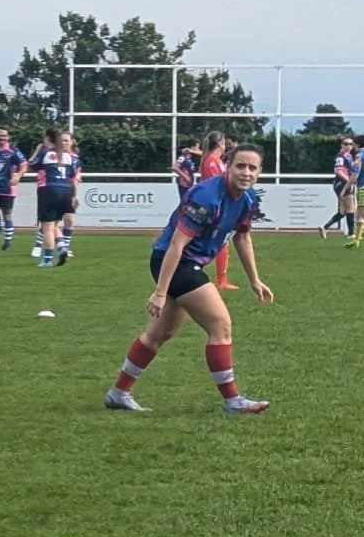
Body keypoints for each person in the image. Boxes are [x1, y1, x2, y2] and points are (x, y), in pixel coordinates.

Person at [105, 143, 273, 415]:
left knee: (158, 334)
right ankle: (233, 401)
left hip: (189, 264)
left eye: (252, 168)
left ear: (260, 172)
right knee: (221, 325)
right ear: (227, 167)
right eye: (240, 165)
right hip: (175, 261)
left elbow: (242, 237)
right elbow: (176, 244)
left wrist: (255, 279)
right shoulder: (206, 196)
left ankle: (118, 393)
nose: (246, 172)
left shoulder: (247, 199)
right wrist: (161, 291)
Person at [28, 129, 81, 267]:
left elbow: (31, 165)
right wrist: (74, 195)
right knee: (55, 224)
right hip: (66, 191)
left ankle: (47, 260)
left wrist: (37, 150)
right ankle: (62, 247)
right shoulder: (69, 157)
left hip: (49, 190)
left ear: (48, 139)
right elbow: (72, 177)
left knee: (47, 227)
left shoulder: (45, 153)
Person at [199, 131, 238, 290]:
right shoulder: (212, 162)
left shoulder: (214, 161)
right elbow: (216, 185)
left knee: (221, 242)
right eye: (224, 142)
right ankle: (221, 280)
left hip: (215, 205)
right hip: (213, 207)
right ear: (220, 143)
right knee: (220, 242)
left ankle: (221, 279)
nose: (225, 145)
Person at [319, 136, 356, 240]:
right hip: (342, 183)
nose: (349, 146)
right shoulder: (341, 156)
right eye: (346, 144)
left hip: (342, 184)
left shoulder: (348, 156)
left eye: (351, 144)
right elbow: (338, 171)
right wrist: (349, 182)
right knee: (351, 208)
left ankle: (325, 227)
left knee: (343, 211)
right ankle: (351, 233)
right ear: (342, 145)